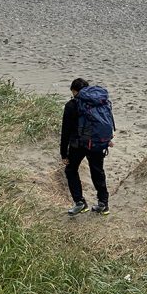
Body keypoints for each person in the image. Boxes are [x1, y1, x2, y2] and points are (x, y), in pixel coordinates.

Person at [61, 78, 111, 216]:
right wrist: (107, 140)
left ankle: (80, 203)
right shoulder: (99, 103)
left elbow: (65, 131)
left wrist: (63, 154)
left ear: (74, 91)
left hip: (78, 145)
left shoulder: (71, 105)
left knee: (71, 170)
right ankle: (103, 204)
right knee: (98, 171)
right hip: (96, 143)